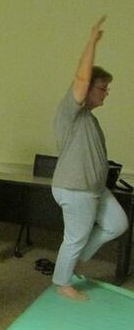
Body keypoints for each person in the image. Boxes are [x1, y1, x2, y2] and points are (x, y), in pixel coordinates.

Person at [51, 16, 128, 301]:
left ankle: (71, 262)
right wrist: (92, 40)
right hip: (74, 188)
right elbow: (81, 78)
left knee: (117, 224)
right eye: (103, 87)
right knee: (75, 237)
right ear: (89, 90)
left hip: (94, 189)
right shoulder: (70, 111)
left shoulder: (90, 120)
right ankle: (62, 281)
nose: (106, 92)